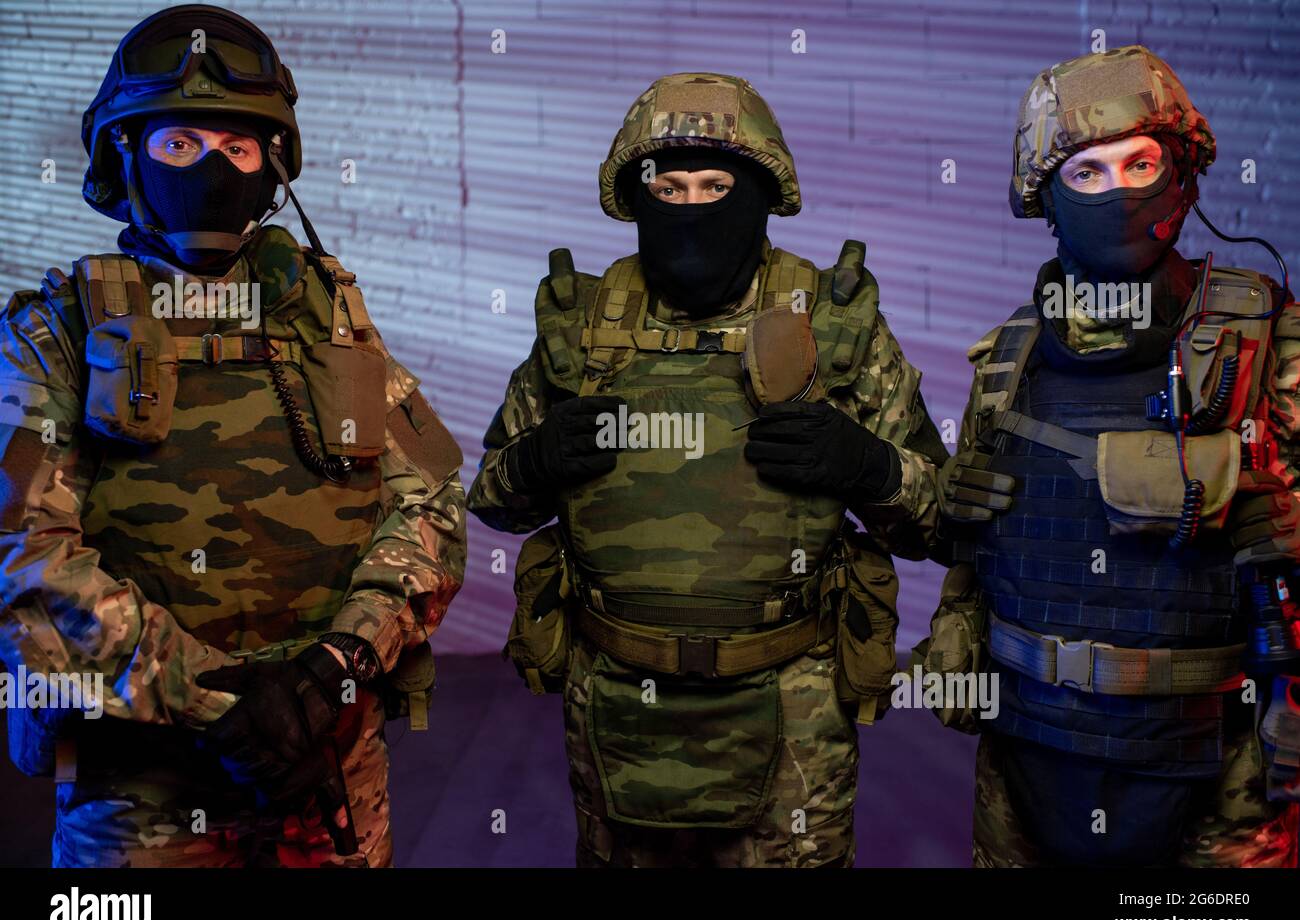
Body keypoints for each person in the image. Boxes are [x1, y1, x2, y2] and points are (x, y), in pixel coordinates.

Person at [0, 4, 466, 867]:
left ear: (272, 167)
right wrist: (221, 701)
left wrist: (337, 668)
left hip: (330, 775)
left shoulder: (328, 314)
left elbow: (428, 504)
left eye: (237, 148)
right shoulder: (55, 332)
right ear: (126, 155)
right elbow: (25, 559)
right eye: (180, 144)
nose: (212, 167)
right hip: (140, 800)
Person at [468, 72, 946, 867]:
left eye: (717, 184)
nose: (691, 205)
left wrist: (867, 466)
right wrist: (536, 460)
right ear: (638, 191)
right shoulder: (588, 324)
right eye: (669, 183)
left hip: (793, 712)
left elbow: (941, 520)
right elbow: (491, 497)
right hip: (615, 704)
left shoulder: (829, 323)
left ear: (760, 192)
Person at [919, 45, 1300, 867]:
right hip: (1028, 756)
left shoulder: (1267, 334)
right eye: (1086, 173)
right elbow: (978, 558)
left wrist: (1280, 514)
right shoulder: (1008, 360)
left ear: (1185, 174)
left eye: (1141, 162)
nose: (1118, 191)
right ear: (1045, 198)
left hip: (1218, 772)